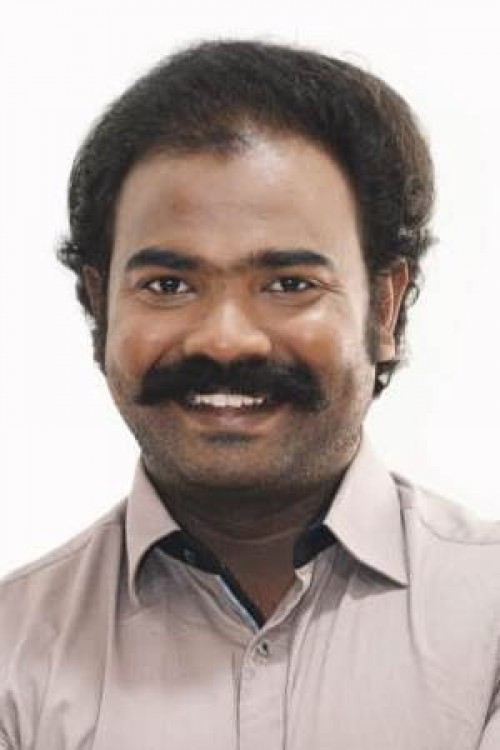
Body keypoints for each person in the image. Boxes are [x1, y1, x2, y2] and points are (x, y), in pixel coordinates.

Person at [1, 39, 499, 750]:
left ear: (384, 308)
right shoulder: (14, 654)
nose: (226, 340)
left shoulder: (488, 623)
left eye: (289, 284)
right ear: (99, 305)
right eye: (168, 285)